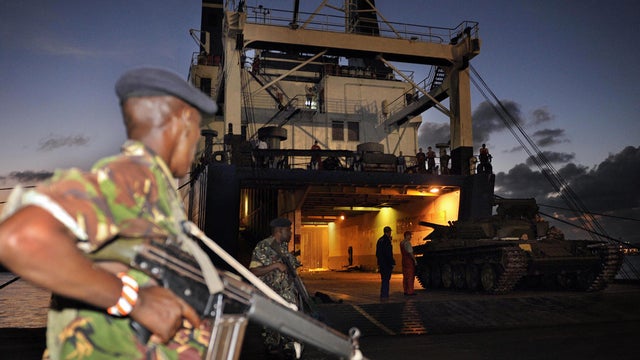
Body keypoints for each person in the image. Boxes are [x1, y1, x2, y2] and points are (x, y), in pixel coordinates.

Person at [0, 67, 218, 359]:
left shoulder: (157, 193)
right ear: (184, 120)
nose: (195, 147)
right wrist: (133, 301)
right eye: (197, 133)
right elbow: (21, 238)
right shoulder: (136, 177)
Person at [249, 217, 301, 358]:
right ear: (279, 231)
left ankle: (288, 346)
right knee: (271, 329)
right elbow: (253, 271)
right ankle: (272, 347)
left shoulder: (283, 247)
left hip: (286, 294)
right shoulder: (263, 246)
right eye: (288, 230)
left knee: (290, 320)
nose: (290, 233)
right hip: (270, 294)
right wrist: (275, 265)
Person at [375, 226, 395, 300]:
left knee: (384, 279)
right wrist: (392, 262)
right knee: (386, 279)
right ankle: (385, 294)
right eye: (390, 232)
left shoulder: (379, 240)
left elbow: (377, 253)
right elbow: (388, 253)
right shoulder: (387, 241)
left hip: (381, 263)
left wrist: (380, 262)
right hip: (387, 264)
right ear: (388, 232)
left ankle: (383, 294)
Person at [400, 231, 417, 296]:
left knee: (405, 276)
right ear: (407, 235)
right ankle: (410, 291)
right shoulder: (407, 243)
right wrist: (414, 260)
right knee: (410, 276)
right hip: (409, 261)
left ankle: (405, 290)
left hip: (404, 260)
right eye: (410, 236)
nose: (411, 237)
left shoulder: (402, 243)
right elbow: (410, 252)